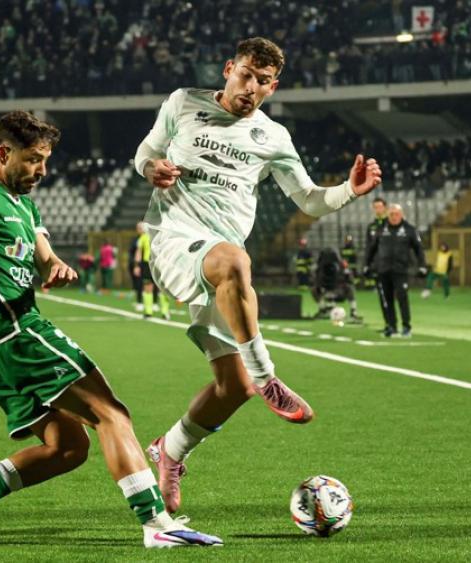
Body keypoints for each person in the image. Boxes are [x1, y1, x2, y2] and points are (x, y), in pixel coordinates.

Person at [0, 111, 220, 548]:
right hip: (16, 332)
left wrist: (56, 266)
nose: (42, 170)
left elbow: (45, 257)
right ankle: (157, 524)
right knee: (111, 414)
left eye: (45, 160)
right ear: (4, 153)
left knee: (68, 447)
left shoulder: (26, 206)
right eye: (34, 160)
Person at [133, 37, 382, 513]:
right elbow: (145, 152)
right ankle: (268, 374)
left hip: (220, 266)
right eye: (245, 74)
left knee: (232, 388)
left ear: (273, 86)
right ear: (229, 69)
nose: (251, 87)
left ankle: (170, 451)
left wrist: (349, 191)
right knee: (235, 261)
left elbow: (308, 200)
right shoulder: (183, 103)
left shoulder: (273, 138)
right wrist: (152, 168)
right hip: (175, 239)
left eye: (263, 81)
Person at [364, 204, 426, 338]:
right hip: (383, 270)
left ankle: (406, 326)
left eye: (396, 214)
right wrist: (366, 265)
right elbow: (371, 249)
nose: (393, 217)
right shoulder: (381, 229)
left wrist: (422, 266)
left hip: (401, 270)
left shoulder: (409, 230)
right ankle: (391, 326)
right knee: (387, 300)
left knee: (402, 297)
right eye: (391, 214)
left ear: (401, 214)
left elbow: (419, 249)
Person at [311, 247, 361, 321]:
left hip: (339, 291)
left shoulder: (343, 265)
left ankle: (353, 311)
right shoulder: (319, 267)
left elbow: (350, 279)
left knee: (349, 287)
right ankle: (323, 310)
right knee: (314, 289)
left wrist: (342, 283)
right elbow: (315, 280)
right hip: (326, 290)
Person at [135, 222, 171, 319]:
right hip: (149, 264)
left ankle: (163, 312)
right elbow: (138, 252)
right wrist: (137, 266)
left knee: (160, 288)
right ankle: (150, 312)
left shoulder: (162, 237)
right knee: (150, 287)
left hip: (158, 264)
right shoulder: (144, 237)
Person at [363, 196, 388, 288]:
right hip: (377, 263)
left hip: (391, 263)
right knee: (381, 291)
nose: (378, 210)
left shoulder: (390, 224)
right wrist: (367, 263)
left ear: (385, 208)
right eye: (375, 207)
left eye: (380, 207)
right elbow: (368, 246)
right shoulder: (371, 226)